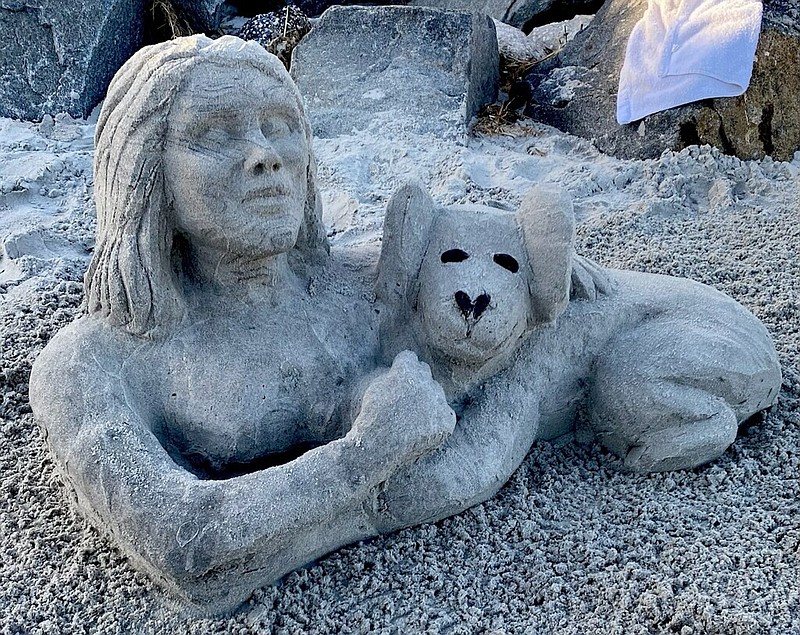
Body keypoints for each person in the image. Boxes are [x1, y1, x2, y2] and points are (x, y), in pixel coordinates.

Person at [29, 35, 457, 613]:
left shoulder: (361, 290)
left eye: (280, 124)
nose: (265, 155)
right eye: (214, 134)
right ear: (146, 174)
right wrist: (365, 457)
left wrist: (273, 535)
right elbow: (183, 543)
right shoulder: (93, 363)